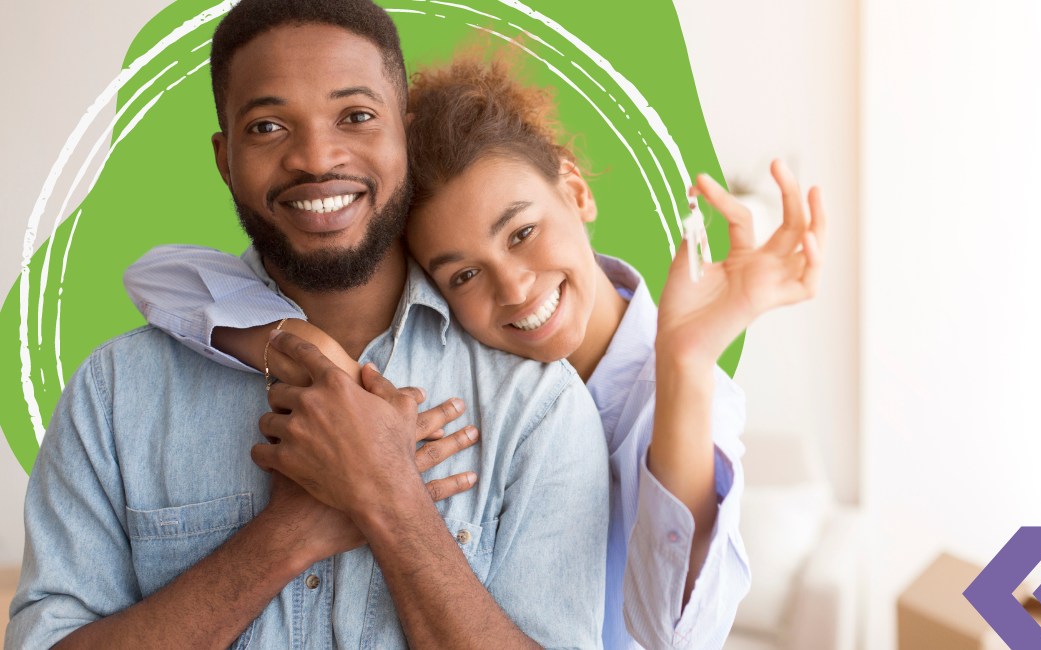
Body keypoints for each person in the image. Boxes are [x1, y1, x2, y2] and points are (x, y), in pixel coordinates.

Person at [122, 52, 828, 649]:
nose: (516, 289)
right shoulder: (459, 365)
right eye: (463, 273)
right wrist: (302, 346)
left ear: (574, 189)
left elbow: (670, 630)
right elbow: (157, 277)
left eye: (521, 232)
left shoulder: (675, 393)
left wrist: (686, 360)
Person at [5, 2, 612, 649]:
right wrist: (286, 535)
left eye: (356, 116)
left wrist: (389, 498)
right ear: (225, 158)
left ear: (402, 134)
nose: (317, 158)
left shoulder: (535, 405)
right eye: (268, 126)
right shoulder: (116, 393)